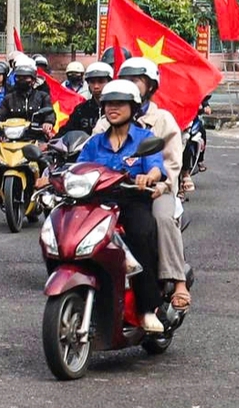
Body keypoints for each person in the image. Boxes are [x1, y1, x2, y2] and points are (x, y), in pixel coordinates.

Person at [73, 79, 170, 332]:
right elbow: (79, 168)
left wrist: (149, 177)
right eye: (108, 104)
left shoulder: (144, 138)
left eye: (119, 104)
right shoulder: (95, 143)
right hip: (98, 204)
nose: (112, 108)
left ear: (133, 107)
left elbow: (157, 167)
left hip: (131, 202)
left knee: (140, 234)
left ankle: (148, 308)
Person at [118, 56, 190, 309]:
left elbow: (171, 163)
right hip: (114, 192)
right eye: (125, 80)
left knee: (161, 218)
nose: (130, 85)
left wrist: (160, 184)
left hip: (156, 191)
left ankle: (178, 279)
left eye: (136, 80)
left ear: (150, 86)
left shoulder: (163, 120)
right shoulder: (107, 119)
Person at [62, 65, 112, 136]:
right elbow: (66, 131)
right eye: (92, 82)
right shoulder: (80, 110)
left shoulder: (117, 109)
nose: (96, 86)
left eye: (101, 81)